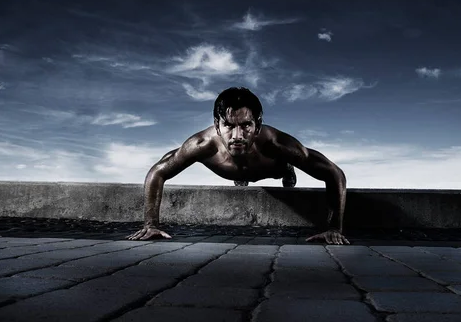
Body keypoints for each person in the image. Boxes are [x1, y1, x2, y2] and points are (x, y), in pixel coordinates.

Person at [127, 87, 350, 245]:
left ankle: (286, 170)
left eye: (246, 126)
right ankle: (241, 176)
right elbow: (158, 172)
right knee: (239, 175)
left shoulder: (276, 143)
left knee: (283, 168)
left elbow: (334, 173)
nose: (237, 135)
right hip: (230, 169)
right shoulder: (201, 145)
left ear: (258, 125)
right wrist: (151, 224)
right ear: (217, 124)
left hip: (270, 167)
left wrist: (334, 228)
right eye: (228, 126)